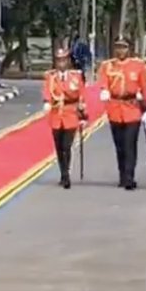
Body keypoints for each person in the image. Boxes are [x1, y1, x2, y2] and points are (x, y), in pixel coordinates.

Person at [97, 37, 146, 190]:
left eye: (124, 47)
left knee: (130, 144)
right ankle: (122, 175)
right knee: (119, 145)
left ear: (129, 48)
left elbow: (144, 87)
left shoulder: (137, 66)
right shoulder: (108, 66)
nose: (121, 50)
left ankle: (129, 177)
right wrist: (104, 91)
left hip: (132, 108)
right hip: (115, 108)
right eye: (118, 47)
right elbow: (104, 83)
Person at [42, 48, 84, 190]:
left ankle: (66, 175)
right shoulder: (50, 77)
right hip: (56, 115)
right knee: (59, 147)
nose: (61, 63)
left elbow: (81, 96)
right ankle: (62, 172)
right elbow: (47, 91)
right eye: (59, 60)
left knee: (66, 146)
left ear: (68, 61)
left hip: (70, 113)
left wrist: (84, 114)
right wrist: (47, 102)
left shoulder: (76, 77)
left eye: (64, 60)